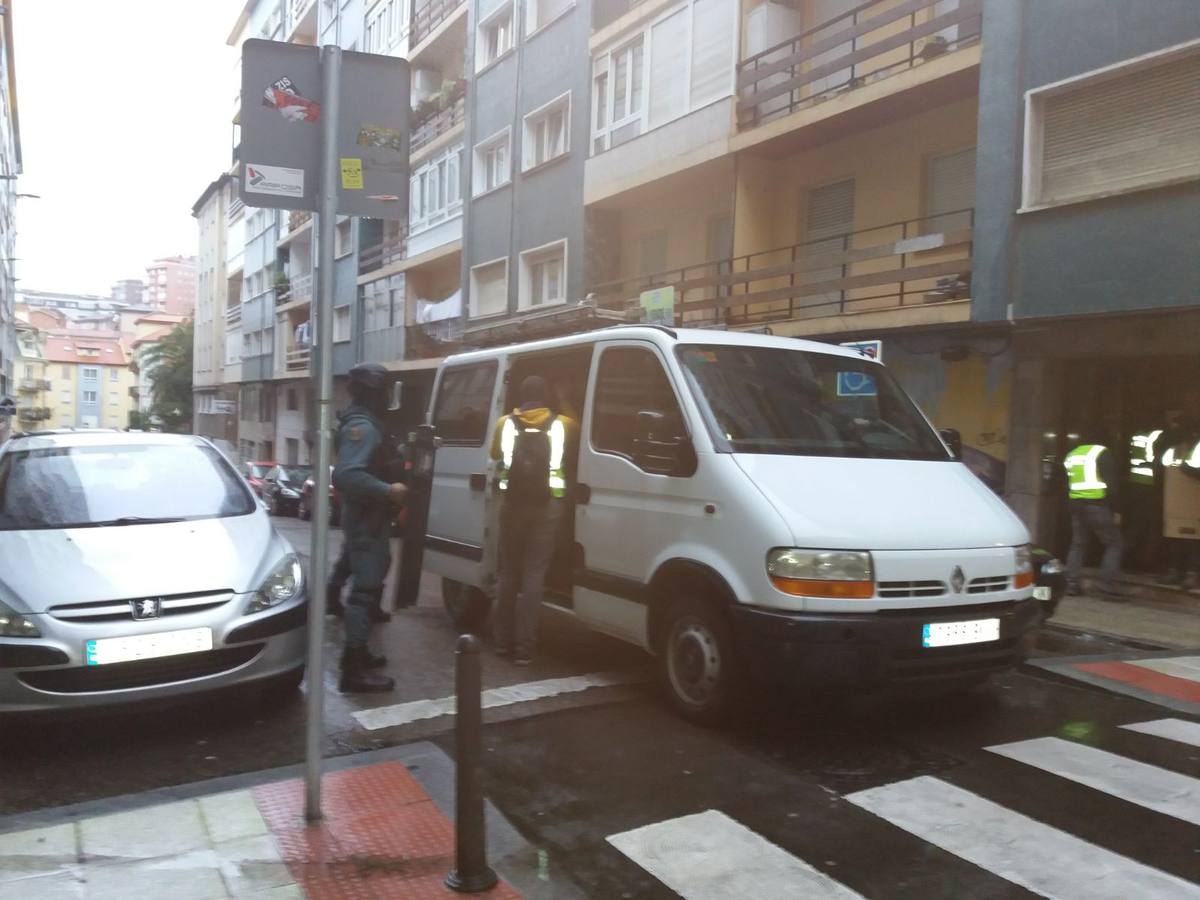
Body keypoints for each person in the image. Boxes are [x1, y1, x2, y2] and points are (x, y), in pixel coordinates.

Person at [489, 376, 577, 665]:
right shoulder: (562, 424)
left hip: (512, 505)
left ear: (522, 395)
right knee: (533, 575)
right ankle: (525, 648)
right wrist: (563, 398)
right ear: (546, 396)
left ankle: (501, 642)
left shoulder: (505, 424)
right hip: (547, 507)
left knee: (508, 574)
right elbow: (581, 429)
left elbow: (495, 455)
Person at [332, 363, 408, 693]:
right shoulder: (362, 427)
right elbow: (347, 474)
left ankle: (360, 652)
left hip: (367, 516)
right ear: (374, 391)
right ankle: (353, 670)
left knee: (371, 569)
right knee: (364, 590)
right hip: (367, 517)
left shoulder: (368, 423)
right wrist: (387, 490)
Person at [1063, 433, 1123, 598]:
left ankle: (1072, 584)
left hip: (1076, 505)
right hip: (1097, 505)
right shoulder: (1101, 453)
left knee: (1078, 544)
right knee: (1114, 544)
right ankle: (1107, 586)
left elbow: (1066, 481)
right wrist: (1116, 509)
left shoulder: (1072, 454)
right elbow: (1112, 485)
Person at [1158, 419, 1200, 588]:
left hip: (1189, 503)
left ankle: (1187, 573)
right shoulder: (1174, 450)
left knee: (1190, 541)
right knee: (1179, 540)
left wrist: (1185, 468)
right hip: (1181, 503)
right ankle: (1179, 572)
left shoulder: (1177, 450)